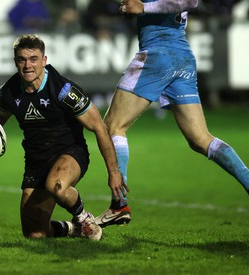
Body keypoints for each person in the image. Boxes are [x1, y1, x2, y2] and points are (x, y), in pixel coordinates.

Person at [95, 0, 249, 228]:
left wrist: (144, 8)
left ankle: (119, 205)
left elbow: (189, 1)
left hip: (158, 55)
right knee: (200, 139)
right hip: (180, 57)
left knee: (113, 126)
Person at [0, 34, 128, 240]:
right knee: (35, 234)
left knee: (57, 186)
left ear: (44, 61)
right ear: (15, 62)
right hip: (36, 160)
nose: (27, 65)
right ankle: (73, 229)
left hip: (69, 152)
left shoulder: (63, 90)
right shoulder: (8, 92)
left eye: (33, 59)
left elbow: (99, 127)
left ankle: (84, 218)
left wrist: (113, 172)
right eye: (22, 60)